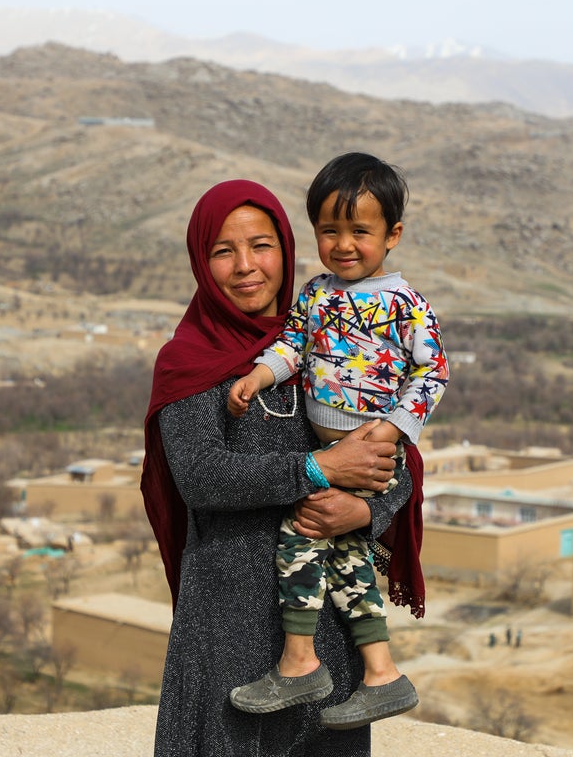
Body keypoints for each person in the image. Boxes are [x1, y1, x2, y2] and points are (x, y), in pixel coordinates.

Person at [140, 178, 424, 756]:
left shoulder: (331, 336)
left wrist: (364, 507)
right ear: (201, 260)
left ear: (287, 250)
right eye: (223, 250)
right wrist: (318, 469)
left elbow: (394, 456)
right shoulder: (190, 361)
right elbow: (201, 476)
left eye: (261, 245)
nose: (246, 266)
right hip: (228, 630)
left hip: (330, 637)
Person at [226, 153, 448, 730]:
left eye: (360, 231)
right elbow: (290, 348)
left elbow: (433, 373)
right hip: (334, 449)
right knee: (349, 561)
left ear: (392, 235)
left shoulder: (406, 304)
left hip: (369, 451)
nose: (344, 244)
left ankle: (300, 663)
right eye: (330, 231)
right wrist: (256, 375)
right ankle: (382, 673)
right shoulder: (317, 294)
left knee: (299, 535)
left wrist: (394, 429)